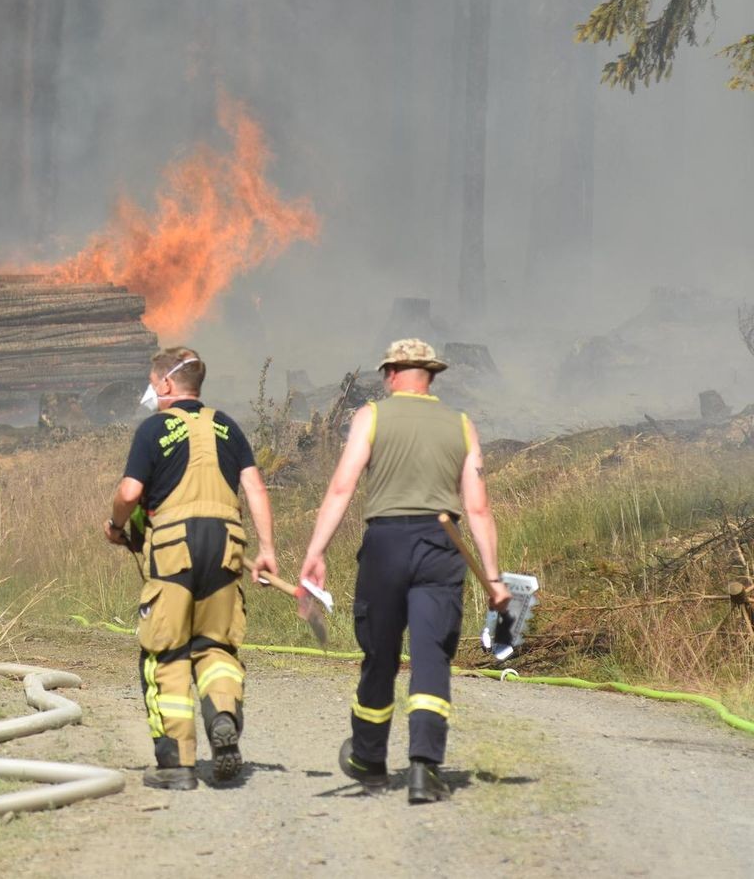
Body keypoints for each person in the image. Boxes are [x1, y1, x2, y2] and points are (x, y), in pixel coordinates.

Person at [298, 339, 511, 804]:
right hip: (441, 544)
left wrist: (316, 552)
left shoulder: (370, 417)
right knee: (431, 653)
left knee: (381, 653)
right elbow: (478, 506)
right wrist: (493, 578)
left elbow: (342, 487)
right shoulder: (461, 424)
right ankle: (424, 767)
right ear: (430, 376)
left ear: (392, 373)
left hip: (386, 545)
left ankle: (370, 759)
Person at [104, 347, 278, 790]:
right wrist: (268, 549)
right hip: (227, 544)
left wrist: (115, 525)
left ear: (165, 385)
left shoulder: (153, 428)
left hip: (174, 547)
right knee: (216, 646)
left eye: (152, 382)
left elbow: (129, 492)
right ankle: (222, 715)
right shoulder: (227, 426)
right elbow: (254, 488)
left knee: (167, 651)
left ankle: (177, 766)